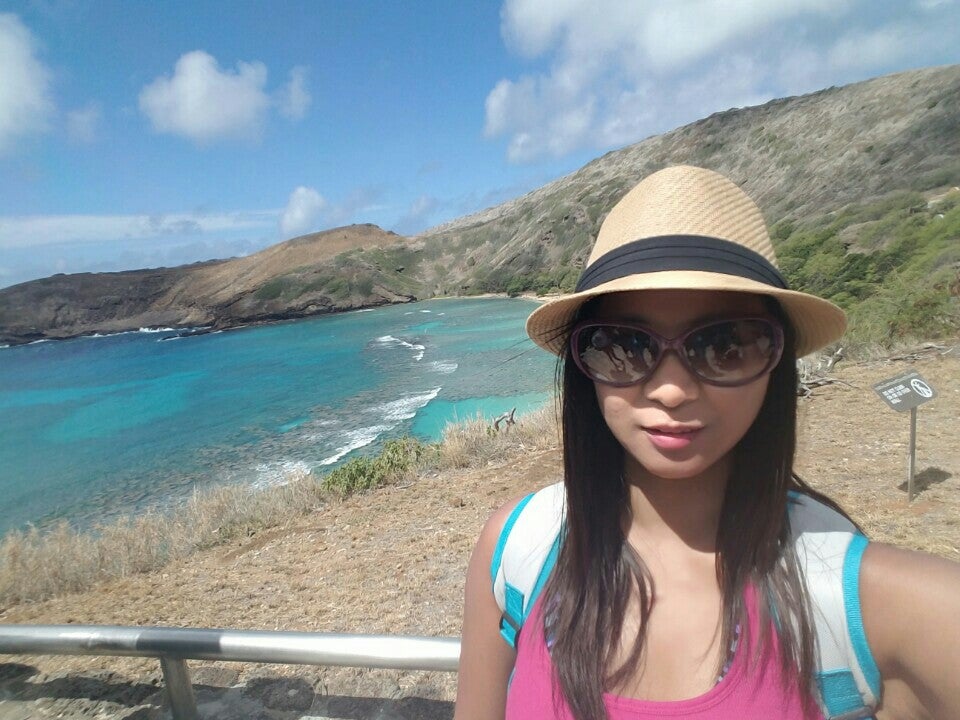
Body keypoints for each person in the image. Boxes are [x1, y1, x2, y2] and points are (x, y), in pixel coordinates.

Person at [454, 166, 960, 720]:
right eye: (623, 345)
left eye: (726, 344)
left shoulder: (874, 604)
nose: (671, 389)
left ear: (777, 362)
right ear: (583, 367)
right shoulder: (518, 550)